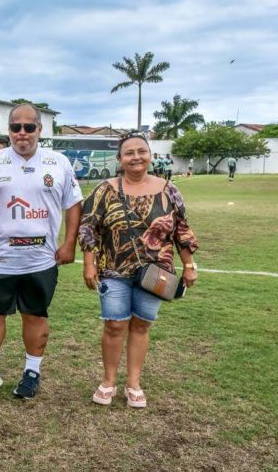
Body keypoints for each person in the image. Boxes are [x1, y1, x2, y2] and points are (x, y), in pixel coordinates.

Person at [0, 103, 83, 399]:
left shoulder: (58, 163)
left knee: (35, 314)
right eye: (16, 127)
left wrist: (69, 243)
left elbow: (74, 204)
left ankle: (32, 371)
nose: (22, 133)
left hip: (41, 258)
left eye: (29, 127)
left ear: (40, 130)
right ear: (9, 130)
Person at [79, 131, 199, 409]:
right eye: (129, 153)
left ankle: (133, 383)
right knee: (114, 324)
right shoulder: (105, 189)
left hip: (156, 272)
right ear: (120, 159)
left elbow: (181, 229)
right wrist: (88, 263)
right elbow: (89, 228)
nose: (136, 157)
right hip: (113, 270)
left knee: (142, 325)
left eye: (141, 151)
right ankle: (108, 381)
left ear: (150, 155)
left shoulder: (168, 189)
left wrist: (189, 265)